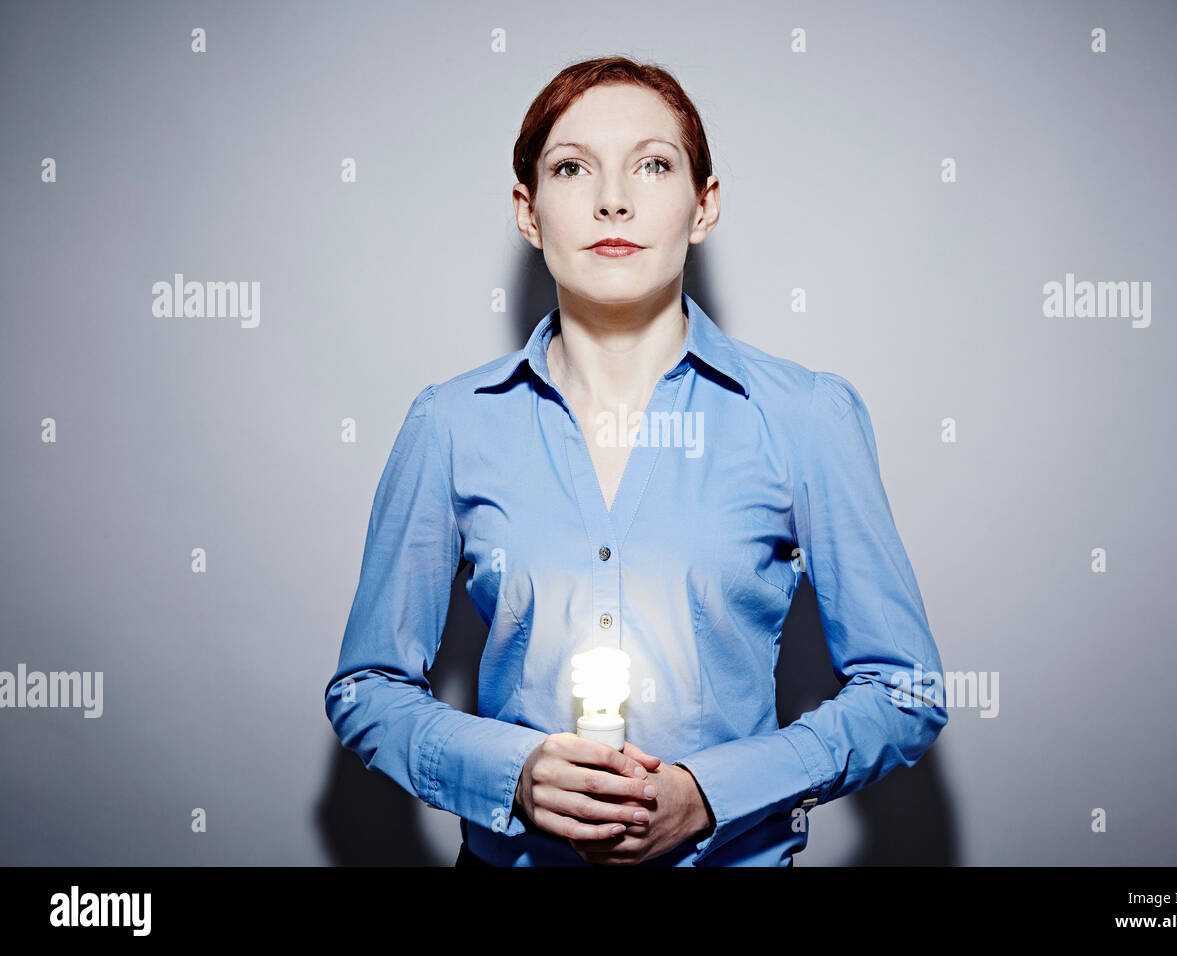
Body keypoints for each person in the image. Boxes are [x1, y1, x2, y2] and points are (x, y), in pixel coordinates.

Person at [324, 55, 947, 867]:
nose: (612, 198)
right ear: (528, 210)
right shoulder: (450, 423)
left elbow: (907, 692)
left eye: (653, 165)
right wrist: (512, 774)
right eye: (572, 168)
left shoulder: (803, 416)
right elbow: (366, 688)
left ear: (703, 206)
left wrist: (712, 791)